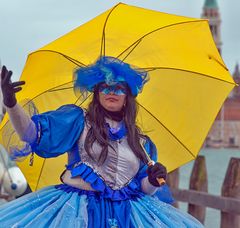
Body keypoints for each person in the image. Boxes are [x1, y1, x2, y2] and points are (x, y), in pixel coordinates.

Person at [0, 57, 203, 227]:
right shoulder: (78, 121)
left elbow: (144, 189)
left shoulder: (141, 142)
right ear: (96, 93)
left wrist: (152, 180)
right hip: (78, 212)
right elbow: (31, 133)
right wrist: (11, 103)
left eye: (118, 88)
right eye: (105, 87)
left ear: (128, 96)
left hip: (129, 215)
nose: (111, 92)